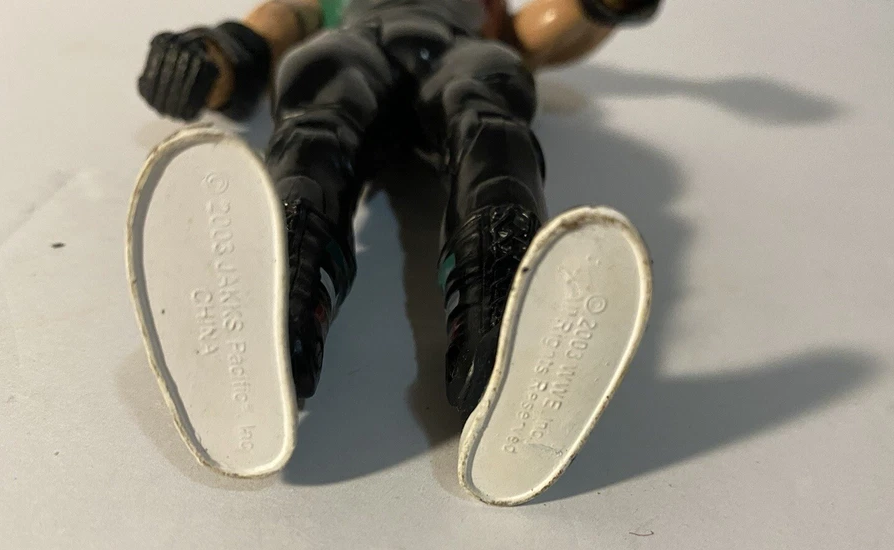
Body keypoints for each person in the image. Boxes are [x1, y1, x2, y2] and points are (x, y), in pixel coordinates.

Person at [133, 0, 659, 504]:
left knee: (492, 126)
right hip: (356, 48)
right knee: (318, 120)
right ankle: (285, 280)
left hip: (460, 52)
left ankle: (502, 302)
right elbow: (269, 30)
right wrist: (207, 59)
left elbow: (546, 29)